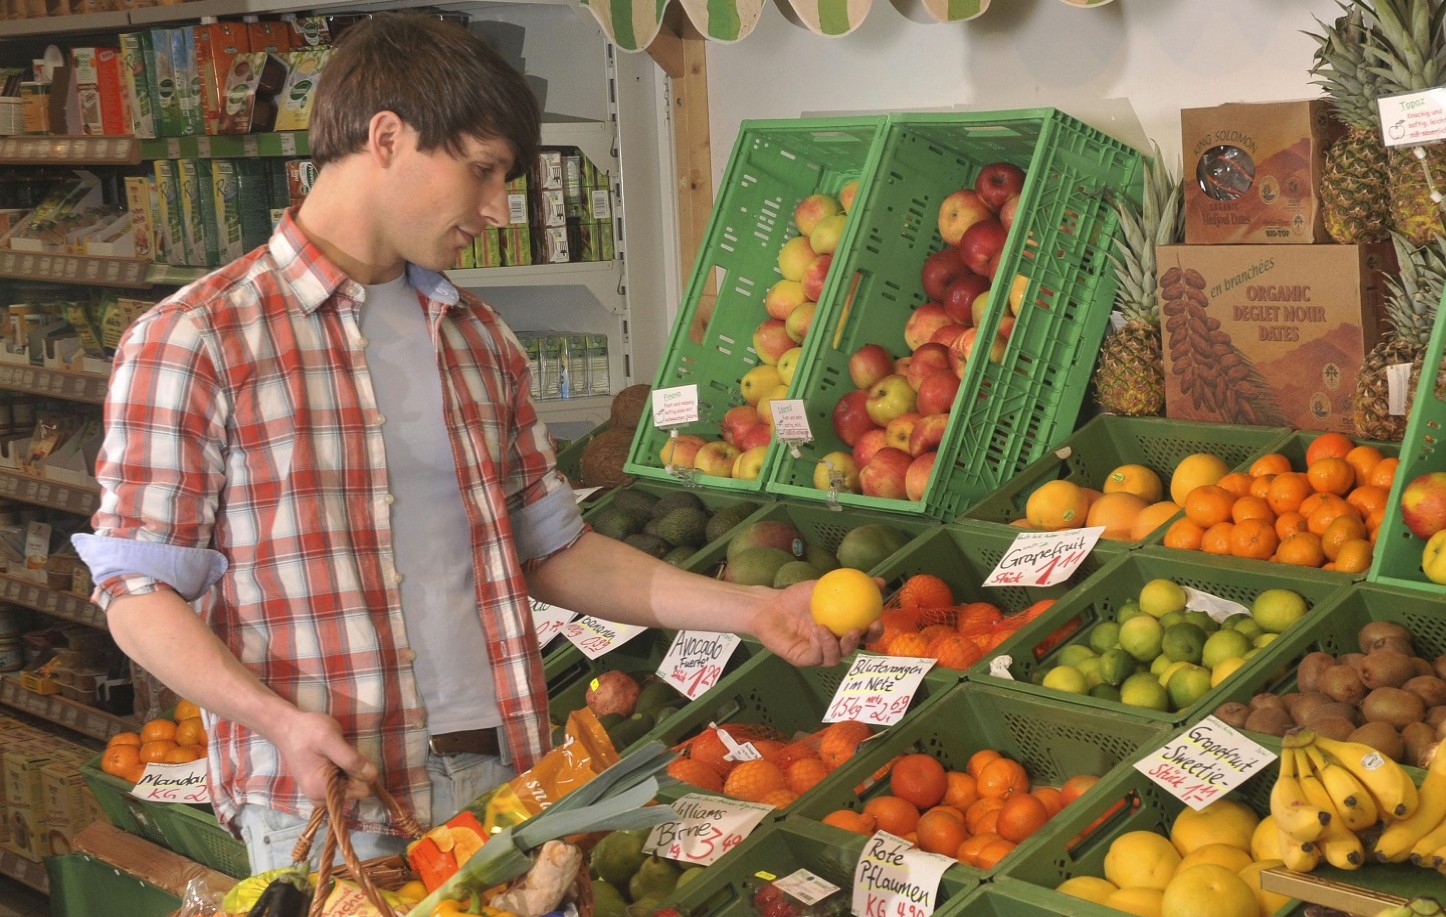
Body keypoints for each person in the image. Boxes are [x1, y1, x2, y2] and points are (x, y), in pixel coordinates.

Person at [76, 14, 860, 873]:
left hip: (501, 785)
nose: (495, 209)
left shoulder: (478, 339)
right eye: (481, 171)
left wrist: (757, 610)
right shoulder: (198, 339)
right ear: (386, 137)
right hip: (332, 798)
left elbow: (554, 549)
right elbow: (139, 593)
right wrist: (274, 720)